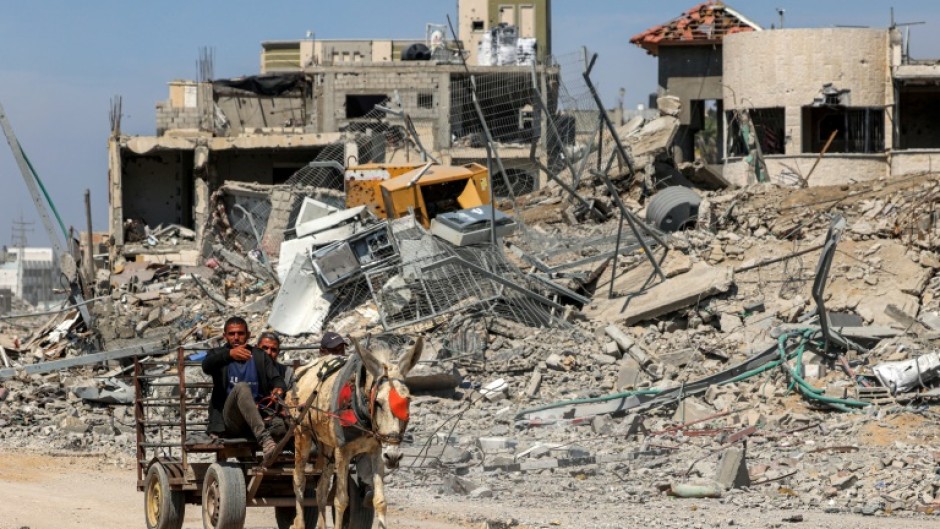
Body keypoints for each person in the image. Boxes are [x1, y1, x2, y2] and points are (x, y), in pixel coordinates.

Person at [202, 316, 285, 459]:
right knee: (242, 387)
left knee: (283, 427)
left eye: (240, 333)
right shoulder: (218, 355)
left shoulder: (259, 356)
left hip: (258, 416)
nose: (236, 337)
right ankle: (265, 439)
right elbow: (207, 365)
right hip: (231, 420)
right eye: (231, 334)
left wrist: (278, 388)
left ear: (248, 335)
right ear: (225, 336)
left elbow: (276, 379)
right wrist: (229, 355)